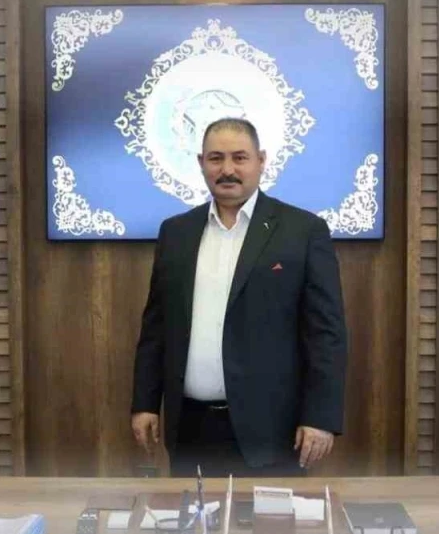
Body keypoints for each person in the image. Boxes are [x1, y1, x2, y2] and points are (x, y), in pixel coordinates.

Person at [130, 117, 348, 477]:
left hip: (272, 432)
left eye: (240, 157)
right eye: (216, 158)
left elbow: (326, 334)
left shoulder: (303, 231)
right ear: (201, 163)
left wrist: (321, 417)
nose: (227, 169)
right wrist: (145, 403)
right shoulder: (176, 232)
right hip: (190, 429)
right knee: (193, 511)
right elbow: (156, 328)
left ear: (261, 161)